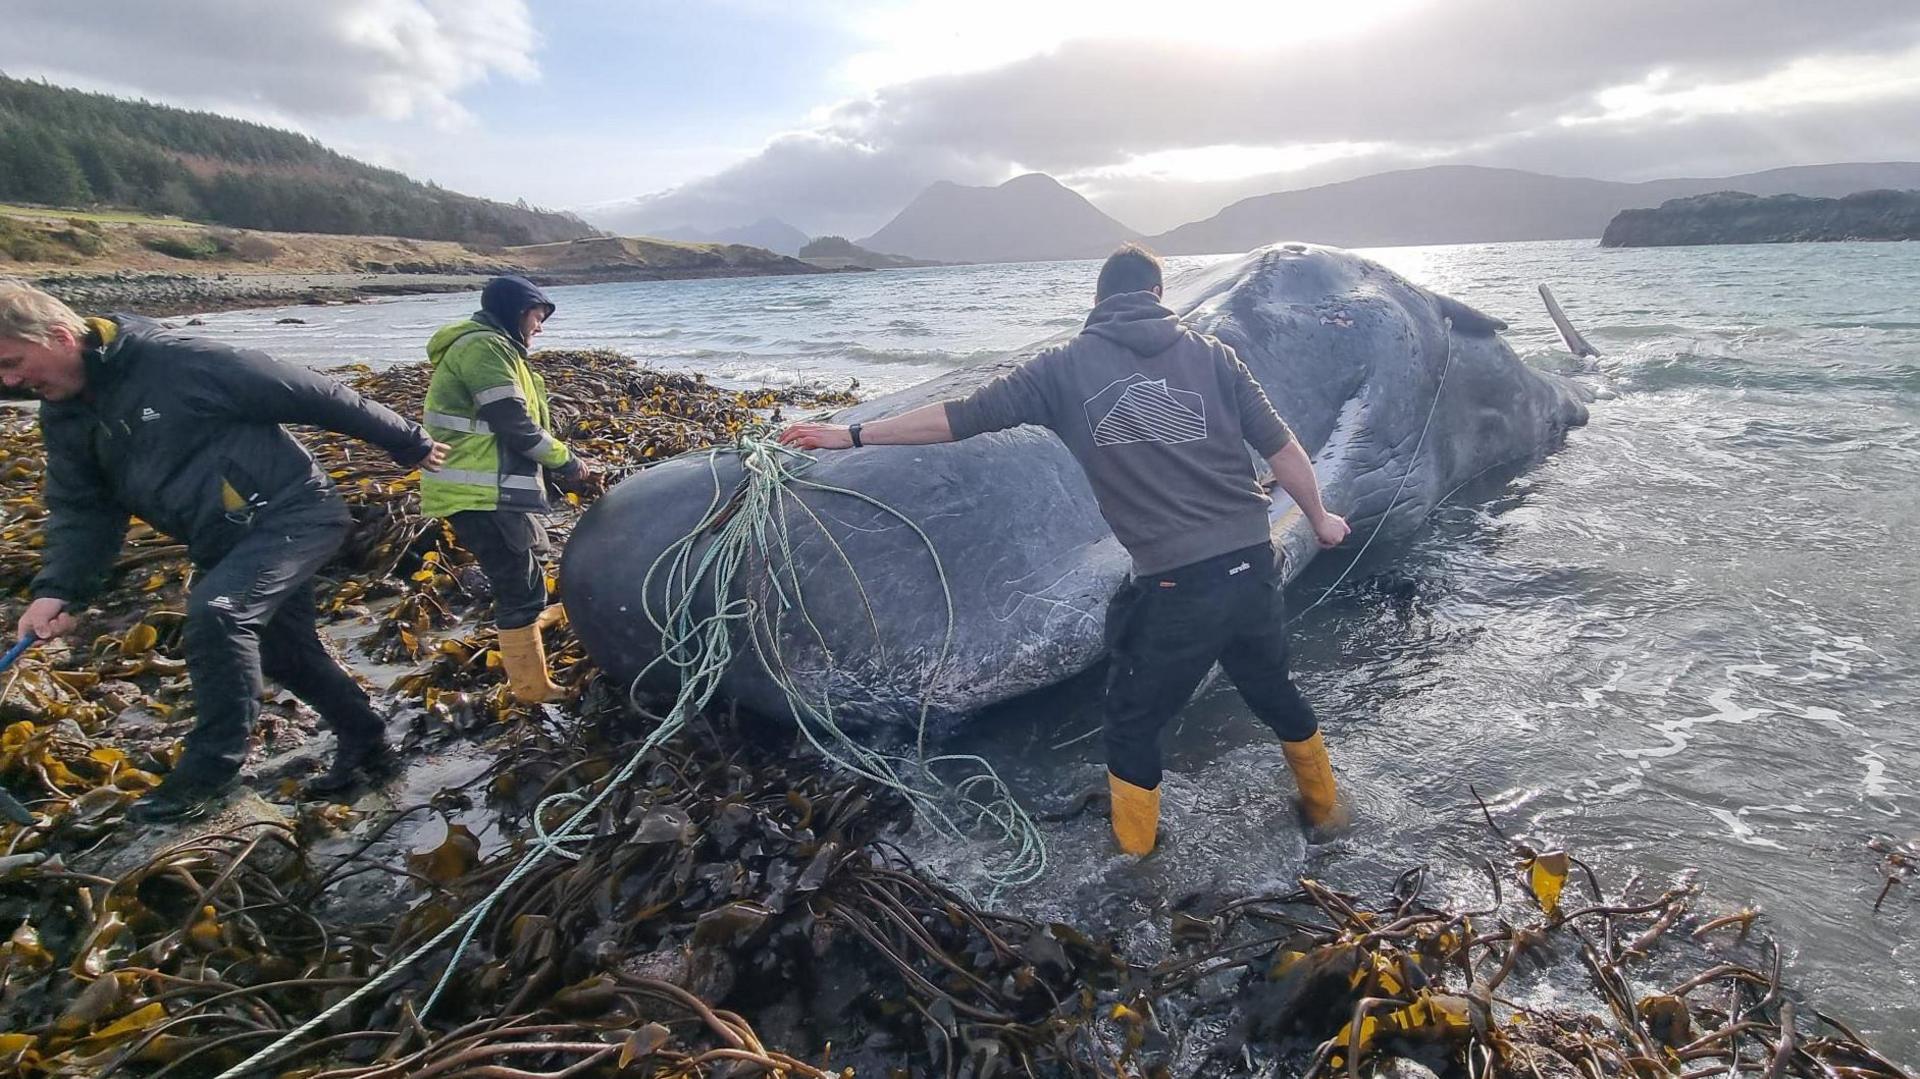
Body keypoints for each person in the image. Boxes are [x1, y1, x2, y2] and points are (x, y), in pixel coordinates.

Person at [778, 244, 1351, 855]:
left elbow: (959, 418)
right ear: (1157, 295)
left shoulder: (1063, 367)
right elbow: (1283, 447)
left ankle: (1135, 870)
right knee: (1272, 690)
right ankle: (1327, 815)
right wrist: (1320, 518)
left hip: (1176, 585)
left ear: (1098, 301)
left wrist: (852, 434)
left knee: (1132, 725)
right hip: (1253, 565)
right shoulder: (1214, 356)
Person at [1, 280, 450, 823]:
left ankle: (210, 769)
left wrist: (409, 441)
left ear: (58, 336)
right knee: (287, 654)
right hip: (222, 538)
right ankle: (367, 738)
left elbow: (310, 392)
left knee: (219, 613)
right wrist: (59, 591)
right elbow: (84, 510)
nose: (10, 381)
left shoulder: (177, 361)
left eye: (12, 362)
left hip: (294, 513)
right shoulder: (66, 416)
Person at [419, 276, 598, 702]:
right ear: (517, 312)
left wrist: (555, 467)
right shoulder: (484, 348)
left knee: (535, 555)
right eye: (538, 316)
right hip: (480, 494)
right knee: (517, 585)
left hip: (499, 490)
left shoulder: (498, 347)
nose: (541, 326)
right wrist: (570, 463)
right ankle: (531, 686)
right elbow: (516, 425)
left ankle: (537, 627)